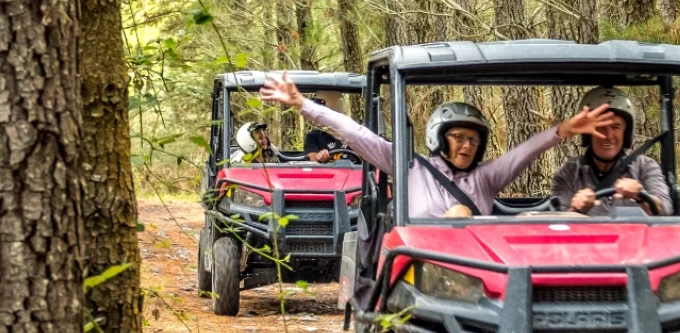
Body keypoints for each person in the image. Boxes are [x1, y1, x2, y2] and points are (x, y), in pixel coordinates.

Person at [260, 72, 618, 218]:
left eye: (474, 139)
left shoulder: (487, 178)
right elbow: (357, 135)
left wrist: (564, 130)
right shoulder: (410, 166)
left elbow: (524, 153)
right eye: (459, 136)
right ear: (440, 137)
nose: (467, 145)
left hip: (476, 277)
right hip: (419, 276)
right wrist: (302, 105)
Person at [550, 87, 673, 216]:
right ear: (588, 134)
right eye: (601, 127)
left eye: (615, 127)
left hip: (636, 235)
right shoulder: (570, 172)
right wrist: (576, 210)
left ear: (626, 133)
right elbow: (557, 223)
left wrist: (641, 195)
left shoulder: (645, 166)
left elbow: (665, 209)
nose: (608, 135)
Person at [302, 91, 359, 163]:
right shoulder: (314, 136)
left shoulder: (354, 134)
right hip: (326, 173)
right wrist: (319, 156)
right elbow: (311, 157)